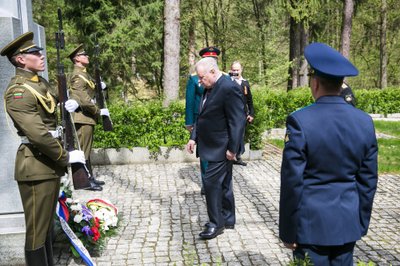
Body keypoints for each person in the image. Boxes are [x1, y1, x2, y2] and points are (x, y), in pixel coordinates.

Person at [279, 42, 378, 265]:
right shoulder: (364, 122)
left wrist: (288, 231)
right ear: (342, 84)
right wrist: (360, 222)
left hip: (311, 226)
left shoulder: (300, 121)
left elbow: (292, 182)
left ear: (314, 84)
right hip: (347, 223)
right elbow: (368, 180)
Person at [1, 32, 86, 266]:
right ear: (20, 59)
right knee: (37, 231)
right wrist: (66, 156)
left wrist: (69, 100)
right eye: (34, 53)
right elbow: (37, 133)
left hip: (46, 163)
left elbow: (52, 101)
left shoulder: (38, 82)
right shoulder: (18, 92)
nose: (41, 55)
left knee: (46, 225)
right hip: (36, 164)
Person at [186, 57, 246, 239]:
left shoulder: (229, 88)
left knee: (211, 184)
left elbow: (237, 120)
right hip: (210, 145)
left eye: (202, 77)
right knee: (225, 184)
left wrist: (233, 149)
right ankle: (227, 218)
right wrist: (193, 137)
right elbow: (202, 115)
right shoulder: (209, 87)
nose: (199, 81)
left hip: (221, 147)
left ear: (213, 72)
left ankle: (215, 223)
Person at [64, 44, 109, 191]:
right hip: (82, 117)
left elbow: (90, 90)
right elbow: (82, 98)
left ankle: (89, 177)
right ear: (77, 59)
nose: (87, 56)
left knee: (87, 150)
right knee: (83, 151)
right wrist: (97, 111)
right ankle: (84, 181)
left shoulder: (84, 73)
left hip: (86, 117)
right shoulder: (77, 75)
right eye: (84, 55)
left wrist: (100, 86)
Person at [185, 46, 222, 195]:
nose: (212, 61)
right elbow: (190, 101)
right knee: (205, 153)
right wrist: (189, 122)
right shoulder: (194, 79)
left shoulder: (223, 77)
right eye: (209, 58)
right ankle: (206, 182)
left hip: (218, 122)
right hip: (199, 120)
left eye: (214, 59)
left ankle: (217, 181)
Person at [229, 61, 255, 166]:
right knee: (231, 135)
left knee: (240, 136)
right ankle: (230, 156)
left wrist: (251, 114)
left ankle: (238, 157)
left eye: (237, 70)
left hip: (242, 115)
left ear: (241, 70)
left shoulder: (245, 83)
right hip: (230, 115)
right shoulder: (228, 82)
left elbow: (250, 100)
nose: (235, 72)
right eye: (233, 70)